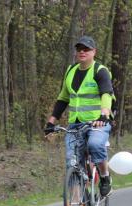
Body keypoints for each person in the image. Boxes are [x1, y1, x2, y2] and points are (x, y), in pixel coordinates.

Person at [44, 35, 114, 197]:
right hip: (75, 124)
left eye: (86, 49)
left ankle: (105, 177)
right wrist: (51, 121)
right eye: (79, 49)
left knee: (95, 146)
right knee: (72, 163)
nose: (82, 52)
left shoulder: (100, 71)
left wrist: (104, 114)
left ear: (94, 52)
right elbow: (63, 99)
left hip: (97, 123)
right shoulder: (71, 71)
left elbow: (106, 94)